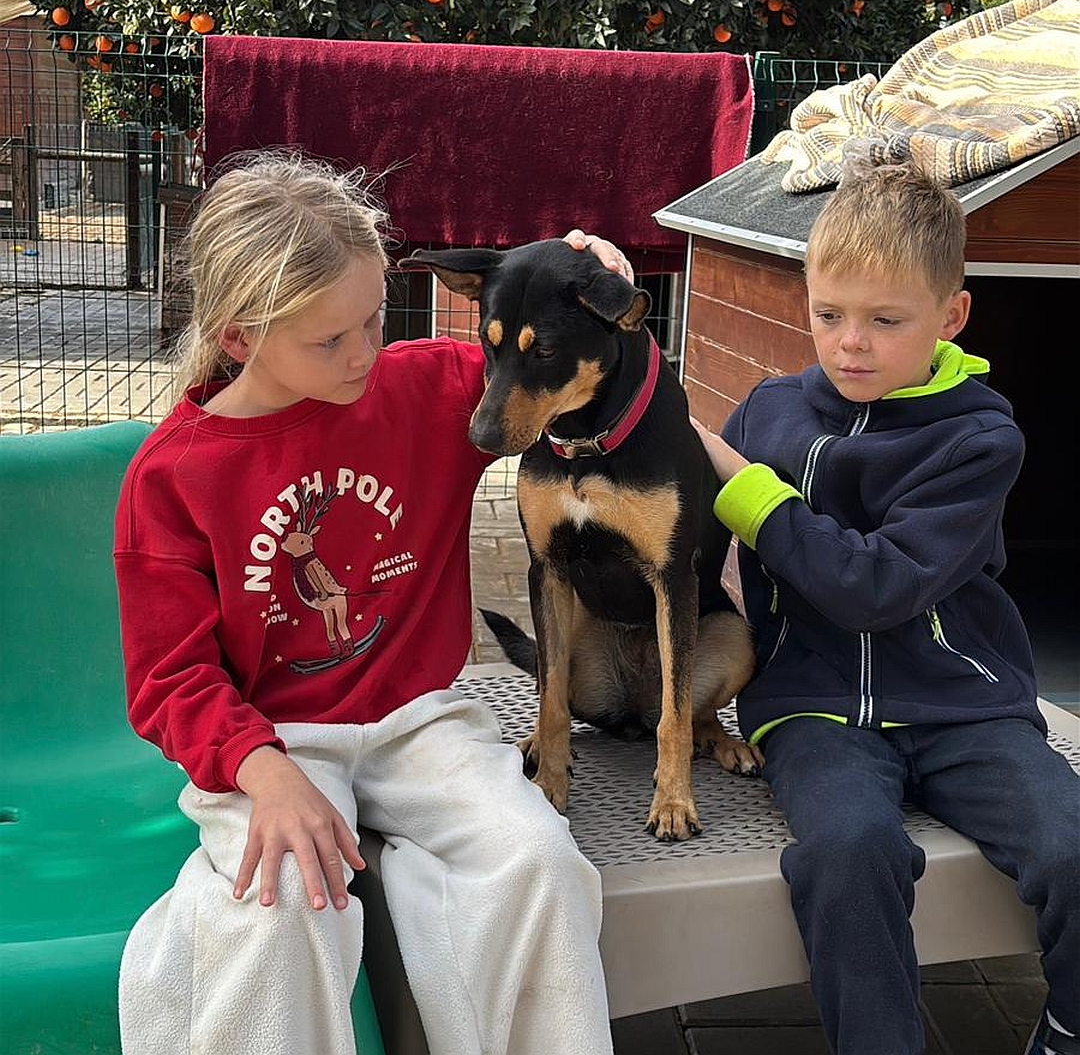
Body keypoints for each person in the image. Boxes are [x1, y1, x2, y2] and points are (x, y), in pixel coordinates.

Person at [113, 149, 630, 1055]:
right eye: (329, 339)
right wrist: (262, 771)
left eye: (372, 322)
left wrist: (593, 273)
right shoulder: (175, 476)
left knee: (541, 862)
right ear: (239, 337)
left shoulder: (421, 388)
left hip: (421, 721)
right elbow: (170, 678)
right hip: (278, 741)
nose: (364, 353)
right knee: (280, 910)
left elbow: (562, 362)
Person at [691, 158, 1079, 1055]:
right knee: (847, 854)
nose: (849, 343)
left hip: (963, 706)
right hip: (813, 708)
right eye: (829, 315)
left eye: (885, 320)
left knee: (1072, 847)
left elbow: (879, 586)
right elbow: (694, 556)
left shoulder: (980, 437)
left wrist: (752, 494)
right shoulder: (772, 413)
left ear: (951, 317)